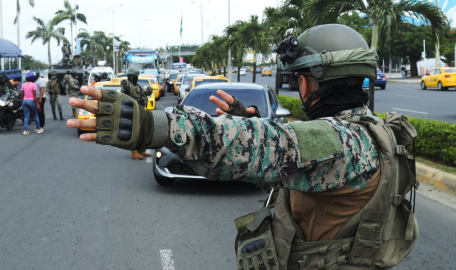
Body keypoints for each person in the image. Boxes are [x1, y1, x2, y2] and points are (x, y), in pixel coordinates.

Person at [67, 24, 418, 269]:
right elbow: (294, 154)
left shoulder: (343, 143)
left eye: (300, 80)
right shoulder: (369, 131)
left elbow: (270, 147)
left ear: (310, 85)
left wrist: (151, 126)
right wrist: (250, 119)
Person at [120, 67, 153, 159]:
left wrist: (148, 91)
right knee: (134, 132)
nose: (136, 78)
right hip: (132, 112)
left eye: (137, 76)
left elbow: (141, 94)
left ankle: (140, 151)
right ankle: (134, 152)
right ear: (130, 77)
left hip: (140, 111)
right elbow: (125, 85)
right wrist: (124, 82)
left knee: (141, 132)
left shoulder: (137, 86)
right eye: (135, 76)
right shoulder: (128, 85)